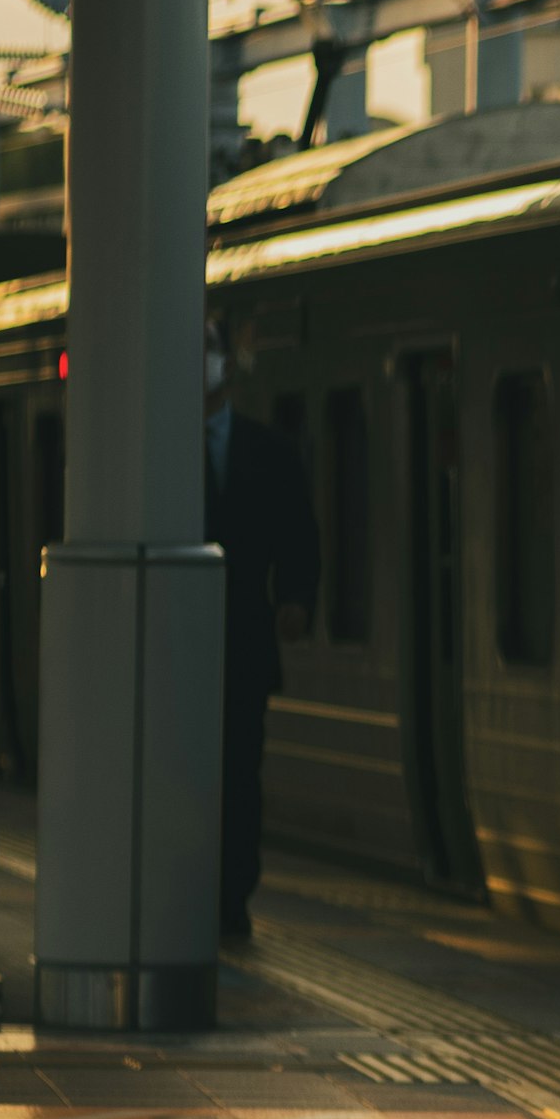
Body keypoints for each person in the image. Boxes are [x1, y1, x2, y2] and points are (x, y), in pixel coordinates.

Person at [204, 316, 319, 942]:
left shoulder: (269, 450)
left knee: (240, 773)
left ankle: (233, 893)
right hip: (176, 652)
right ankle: (196, 886)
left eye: (208, 350)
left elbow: (299, 534)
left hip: (245, 642)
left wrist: (298, 598)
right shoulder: (153, 451)